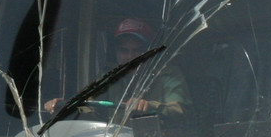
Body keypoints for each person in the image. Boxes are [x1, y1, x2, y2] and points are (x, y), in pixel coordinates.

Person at [43, 17, 190, 118]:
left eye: (137, 51)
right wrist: (66, 108)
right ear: (116, 52)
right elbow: (90, 107)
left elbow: (180, 110)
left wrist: (149, 106)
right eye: (124, 51)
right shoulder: (109, 76)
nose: (130, 56)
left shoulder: (168, 74)